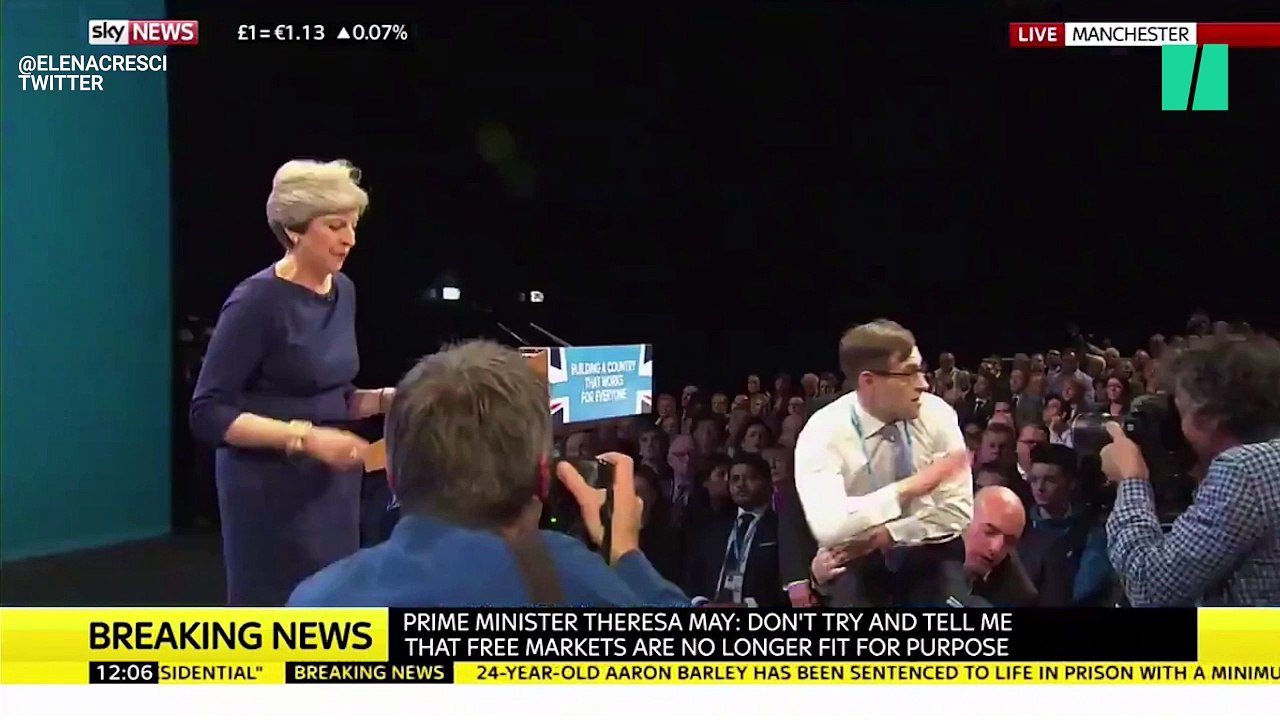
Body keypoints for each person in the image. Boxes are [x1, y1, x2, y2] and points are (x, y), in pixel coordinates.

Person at [289, 340, 688, 607]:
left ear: (392, 473)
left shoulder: (313, 605)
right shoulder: (585, 582)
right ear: (543, 477)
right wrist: (626, 555)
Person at [189, 159, 394, 606]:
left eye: (354, 226)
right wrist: (305, 439)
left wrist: (383, 400)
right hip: (270, 492)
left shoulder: (345, 291)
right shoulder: (256, 301)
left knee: (333, 611)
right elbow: (208, 411)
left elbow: (329, 395)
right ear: (296, 230)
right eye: (336, 225)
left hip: (332, 486)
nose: (350, 239)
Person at [792, 319, 971, 606]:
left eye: (921, 371)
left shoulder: (938, 415)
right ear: (869, 382)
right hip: (859, 562)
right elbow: (831, 525)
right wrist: (911, 488)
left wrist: (887, 534)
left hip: (930, 551)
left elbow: (958, 511)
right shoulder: (823, 431)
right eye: (909, 373)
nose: (923, 384)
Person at [1104, 335, 1280, 607]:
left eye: (1181, 411)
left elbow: (1150, 586)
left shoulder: (1243, 471)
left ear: (1212, 417)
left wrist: (1131, 479)